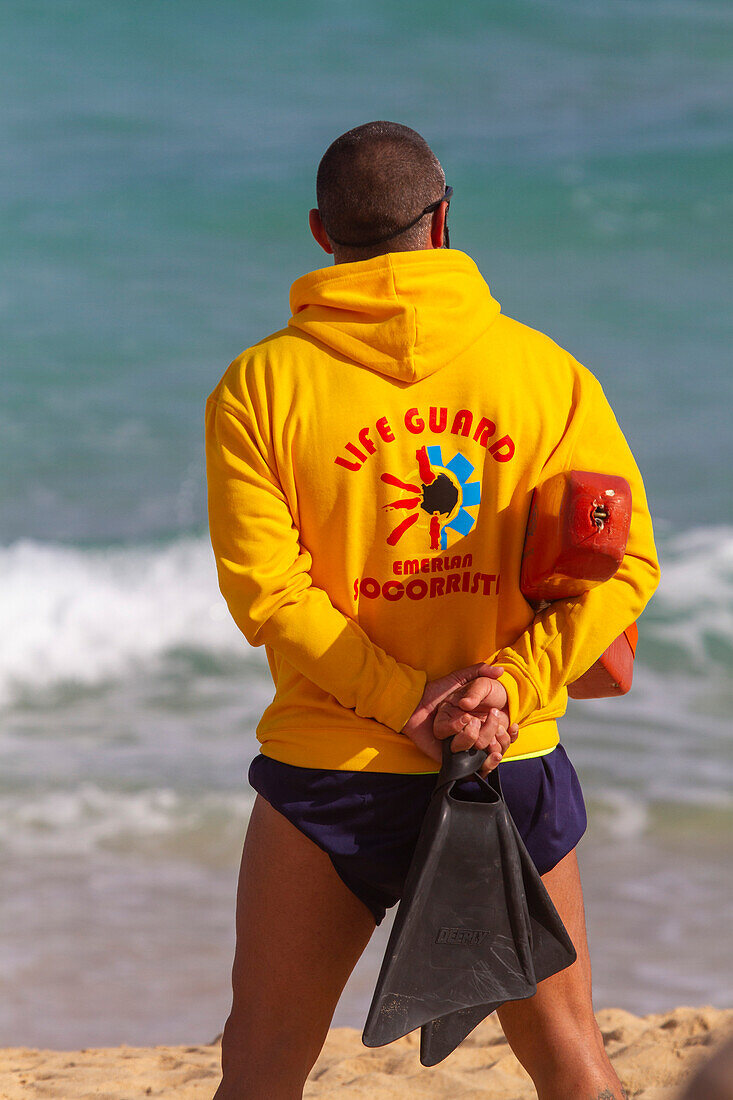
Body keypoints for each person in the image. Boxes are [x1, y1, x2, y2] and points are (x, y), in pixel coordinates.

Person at [205, 121, 659, 1100]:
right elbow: (626, 568)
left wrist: (408, 697)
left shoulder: (259, 387)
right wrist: (507, 683)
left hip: (335, 770)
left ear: (322, 233)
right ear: (443, 219)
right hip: (510, 757)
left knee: (262, 1061)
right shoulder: (546, 374)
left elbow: (268, 594)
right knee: (572, 1059)